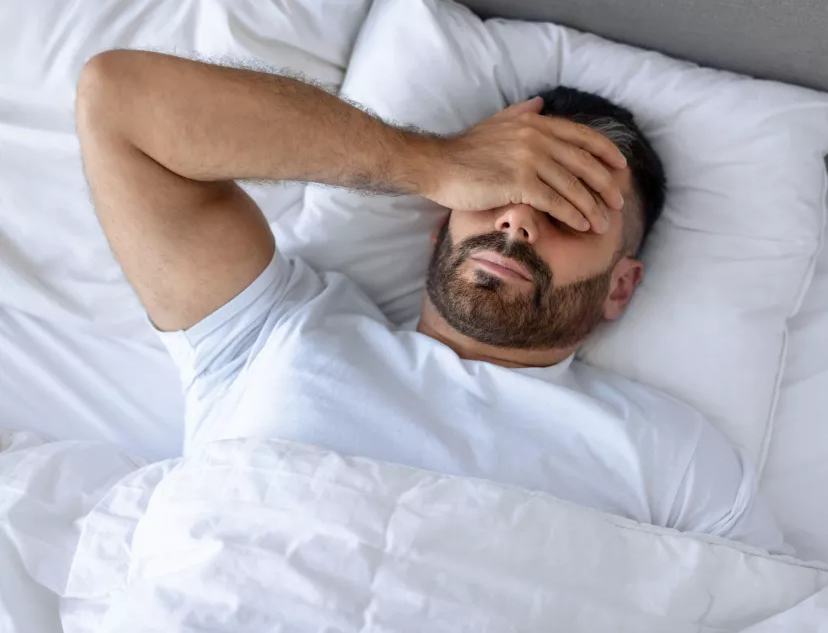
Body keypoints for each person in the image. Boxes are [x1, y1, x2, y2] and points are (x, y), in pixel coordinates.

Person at [75, 50, 789, 553]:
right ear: (442, 222)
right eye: (495, 192)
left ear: (620, 285)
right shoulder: (275, 331)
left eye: (570, 210)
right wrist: (431, 161)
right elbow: (120, 100)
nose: (517, 220)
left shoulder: (671, 456)